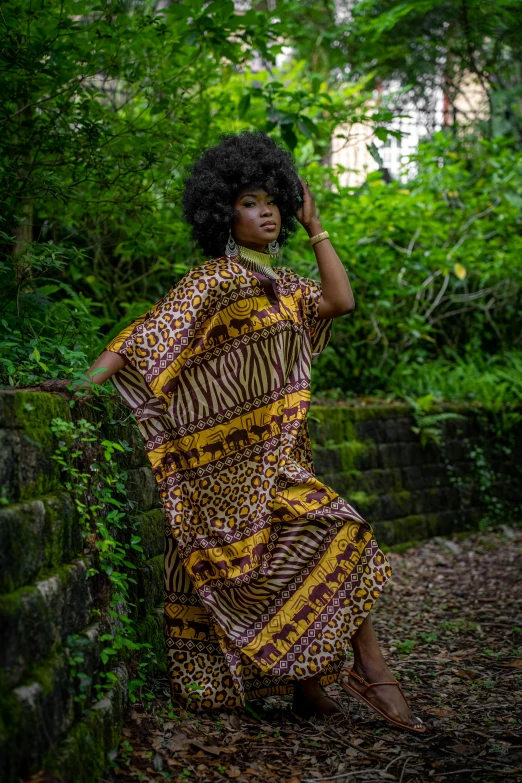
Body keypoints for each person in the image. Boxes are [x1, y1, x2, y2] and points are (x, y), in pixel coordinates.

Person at [51, 131, 424, 732]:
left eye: (272, 199)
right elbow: (144, 336)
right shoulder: (213, 281)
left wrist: (316, 225)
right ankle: (366, 673)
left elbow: (341, 301)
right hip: (220, 471)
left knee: (316, 546)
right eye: (250, 202)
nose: (267, 211)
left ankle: (314, 686)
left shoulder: (292, 290)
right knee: (334, 535)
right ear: (224, 213)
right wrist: (79, 387)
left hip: (280, 459)